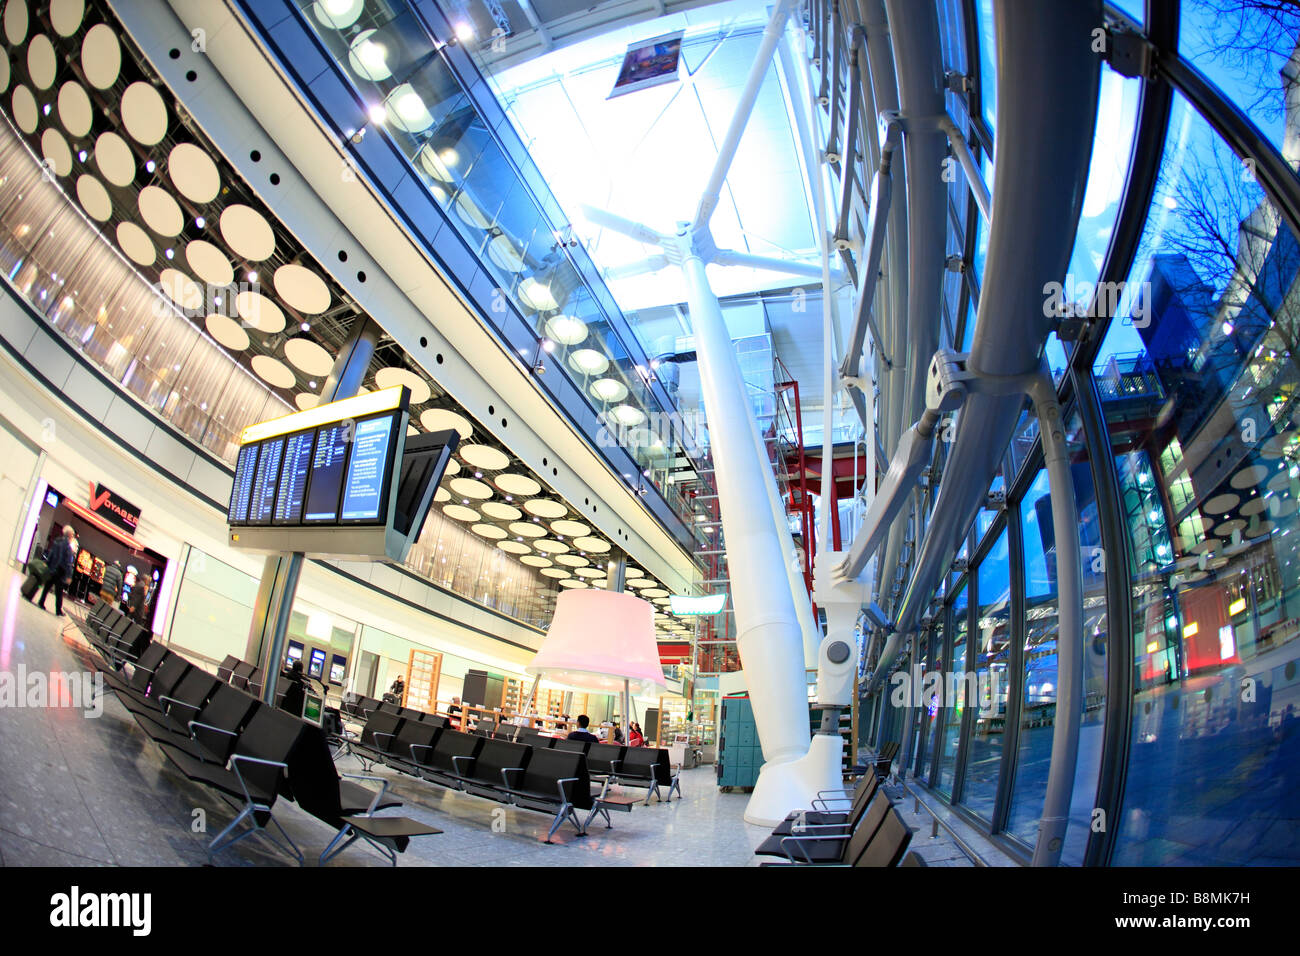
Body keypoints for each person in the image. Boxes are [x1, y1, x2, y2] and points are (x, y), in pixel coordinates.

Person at [33, 525, 76, 616]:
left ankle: (41, 602)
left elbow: (51, 554)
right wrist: (68, 575)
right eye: (72, 535)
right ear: (69, 535)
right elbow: (68, 562)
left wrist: (47, 566)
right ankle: (58, 610)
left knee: (47, 587)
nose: (72, 537)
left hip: (52, 569)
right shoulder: (67, 546)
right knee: (59, 591)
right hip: (60, 571)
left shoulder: (57, 541)